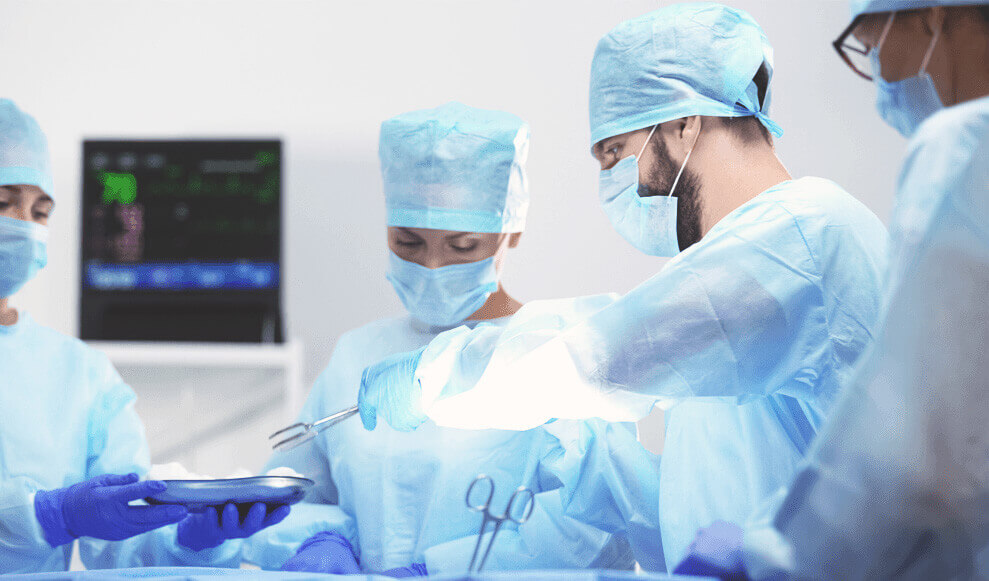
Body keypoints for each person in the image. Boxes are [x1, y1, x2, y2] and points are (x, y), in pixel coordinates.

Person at [355, 4, 892, 571]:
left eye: (614, 152)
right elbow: (706, 504)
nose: (610, 181)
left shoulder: (803, 236)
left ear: (684, 124)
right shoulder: (751, 257)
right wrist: (592, 456)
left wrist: (437, 374)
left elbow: (598, 358)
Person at [242, 102, 636, 575]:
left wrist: (442, 570)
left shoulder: (558, 358)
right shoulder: (356, 355)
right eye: (408, 242)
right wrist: (318, 538)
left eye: (462, 245)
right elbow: (290, 489)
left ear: (512, 229)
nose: (431, 265)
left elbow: (590, 527)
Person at [675, 1, 989, 579]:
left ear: (929, 20)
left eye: (868, 47)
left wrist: (763, 556)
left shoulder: (966, 152)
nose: (879, 80)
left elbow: (917, 456)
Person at [0, 98, 288, 573]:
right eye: (3, 202)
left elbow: (121, 553)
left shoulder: (81, 375)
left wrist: (191, 540)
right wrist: (45, 516)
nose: (26, 227)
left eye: (41, 211)